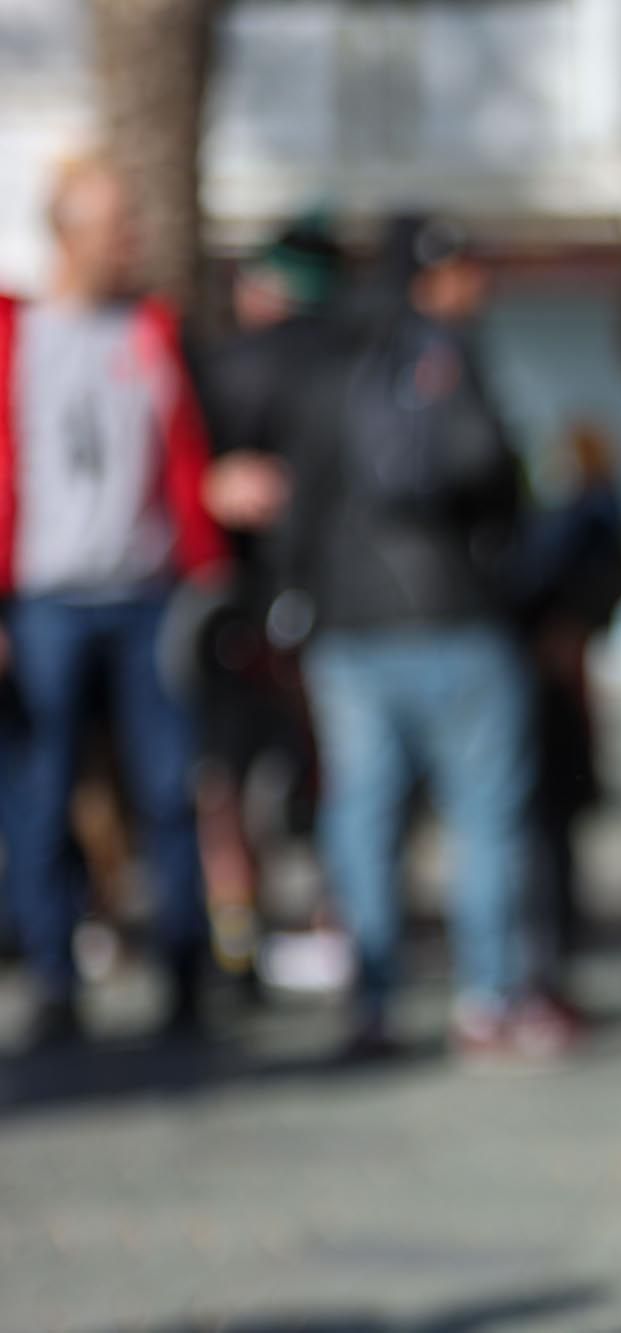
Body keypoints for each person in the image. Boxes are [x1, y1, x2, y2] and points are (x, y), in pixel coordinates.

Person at [275, 215, 568, 1064]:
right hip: (461, 620)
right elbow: (496, 476)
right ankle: (490, 1000)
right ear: (429, 276)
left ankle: (371, 1003)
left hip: (354, 630)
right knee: (486, 819)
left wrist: (296, 603)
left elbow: (305, 506)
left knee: (362, 820)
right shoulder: (455, 355)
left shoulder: (331, 367)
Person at [0, 153, 227, 1047]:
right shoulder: (18, 335)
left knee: (171, 789)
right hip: (46, 599)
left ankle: (186, 973)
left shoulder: (155, 333)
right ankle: (55, 977)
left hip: (148, 594)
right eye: (115, 227)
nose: (132, 242)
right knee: (41, 791)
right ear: (67, 234)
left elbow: (188, 452)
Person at [192, 215, 349, 979]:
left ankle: (238, 935)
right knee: (335, 770)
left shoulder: (231, 367)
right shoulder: (364, 359)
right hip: (341, 602)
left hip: (244, 600)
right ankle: (335, 921)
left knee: (229, 776)